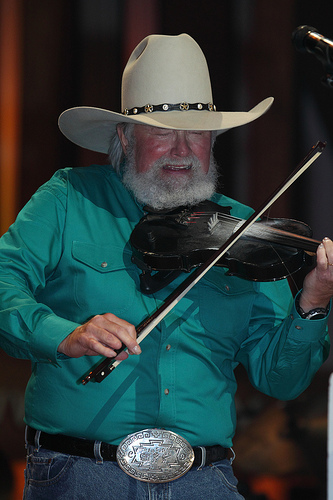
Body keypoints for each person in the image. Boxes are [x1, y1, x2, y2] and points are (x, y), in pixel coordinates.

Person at [0, 33, 331, 500]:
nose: (181, 150)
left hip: (205, 480)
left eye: (195, 132)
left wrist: (313, 303)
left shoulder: (241, 231)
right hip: (81, 475)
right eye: (161, 131)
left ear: (212, 139)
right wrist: (63, 334)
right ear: (124, 137)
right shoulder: (69, 198)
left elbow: (282, 378)